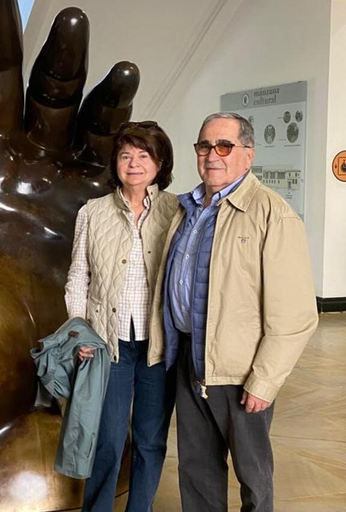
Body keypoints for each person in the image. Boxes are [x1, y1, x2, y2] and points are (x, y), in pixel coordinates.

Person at [150, 112, 318, 512]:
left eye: (224, 146)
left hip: (240, 373)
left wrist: (264, 380)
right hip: (190, 360)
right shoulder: (185, 208)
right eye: (205, 146)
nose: (213, 155)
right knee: (197, 470)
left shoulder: (271, 214)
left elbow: (295, 315)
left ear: (248, 154)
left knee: (253, 476)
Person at [65, 121, 179, 512]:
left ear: (160, 162)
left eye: (144, 155)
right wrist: (80, 330)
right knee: (109, 439)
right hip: (107, 345)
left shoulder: (177, 210)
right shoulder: (92, 212)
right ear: (115, 161)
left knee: (150, 440)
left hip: (159, 346)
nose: (134, 163)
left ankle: (140, 507)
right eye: (126, 155)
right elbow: (79, 275)